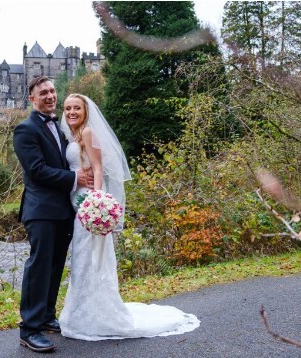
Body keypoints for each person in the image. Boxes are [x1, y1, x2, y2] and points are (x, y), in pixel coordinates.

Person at [59, 93, 200, 340]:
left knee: (93, 260)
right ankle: (81, 314)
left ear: (85, 111)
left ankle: (100, 316)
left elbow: (99, 168)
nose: (72, 112)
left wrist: (97, 201)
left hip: (87, 205)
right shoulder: (73, 136)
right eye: (68, 108)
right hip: (76, 204)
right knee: (82, 261)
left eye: (77, 108)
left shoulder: (89, 133)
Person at [13, 77, 93, 352]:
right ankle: (29, 328)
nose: (49, 96)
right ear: (32, 99)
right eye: (43, 93)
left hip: (62, 209)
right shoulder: (25, 130)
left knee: (55, 265)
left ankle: (47, 316)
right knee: (38, 267)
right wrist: (75, 177)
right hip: (40, 210)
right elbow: (36, 170)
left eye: (52, 91)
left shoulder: (59, 129)